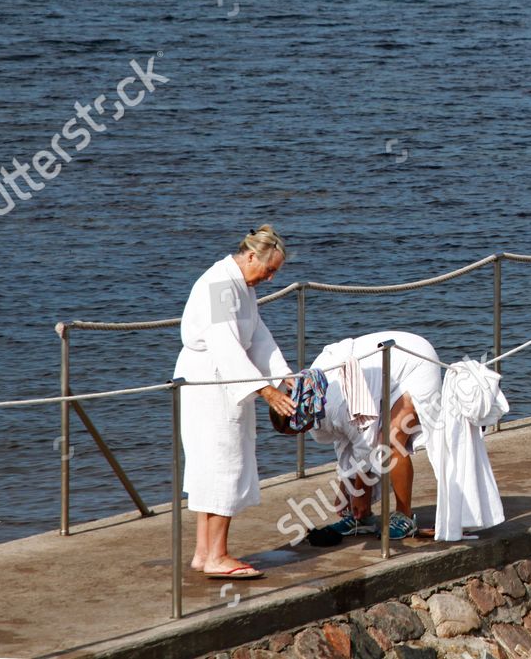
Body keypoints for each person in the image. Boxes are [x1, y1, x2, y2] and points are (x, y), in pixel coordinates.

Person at [173, 225, 295, 580]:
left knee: (213, 463)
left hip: (225, 379)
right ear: (251, 256)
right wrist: (267, 392)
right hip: (210, 381)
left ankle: (203, 553)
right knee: (223, 462)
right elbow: (226, 346)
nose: (270, 278)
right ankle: (218, 555)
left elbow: (257, 334)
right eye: (269, 270)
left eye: (275, 273)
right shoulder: (220, 285)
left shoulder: (242, 285)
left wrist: (282, 374)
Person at [306, 331, 444, 540]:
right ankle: (362, 518)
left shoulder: (335, 405)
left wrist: (357, 493)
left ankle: (404, 516)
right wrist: (346, 489)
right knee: (370, 447)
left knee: (390, 443)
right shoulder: (314, 401)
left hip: (416, 361)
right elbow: (347, 444)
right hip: (377, 376)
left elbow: (366, 444)